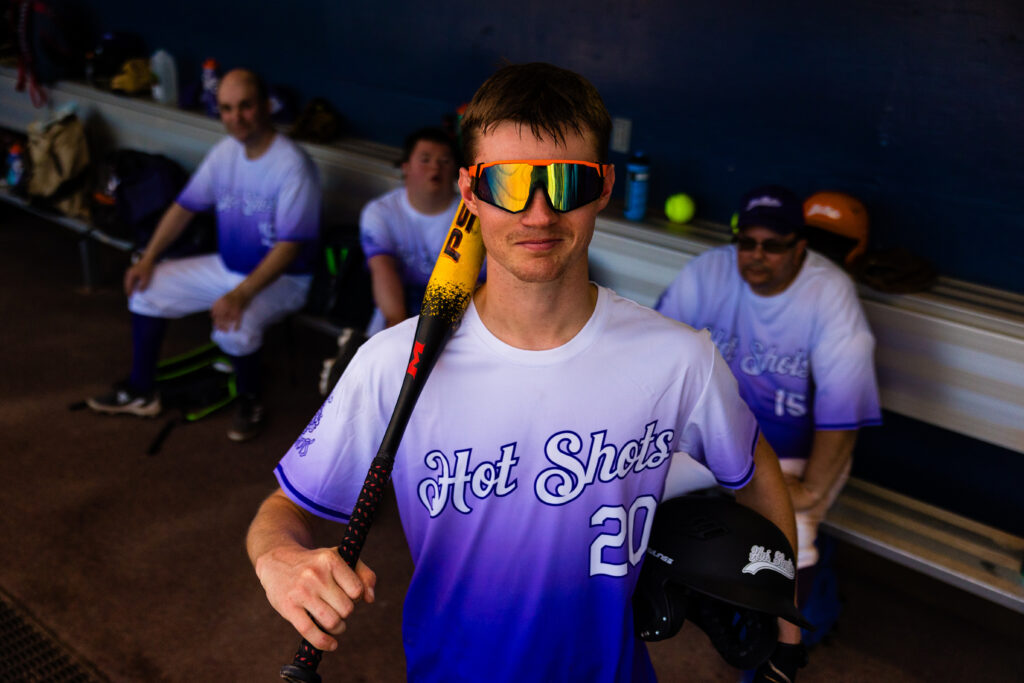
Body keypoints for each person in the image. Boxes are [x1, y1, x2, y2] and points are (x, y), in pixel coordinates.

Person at [247, 63, 803, 683]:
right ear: (470, 191)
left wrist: (783, 627)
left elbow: (754, 466)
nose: (538, 213)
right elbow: (283, 508)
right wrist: (278, 558)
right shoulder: (392, 364)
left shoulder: (680, 359)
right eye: (507, 182)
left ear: (604, 188)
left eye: (567, 183)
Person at [655, 185, 882, 632]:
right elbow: (658, 353)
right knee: (628, 486)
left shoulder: (830, 294)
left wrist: (813, 491)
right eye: (747, 242)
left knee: (792, 534)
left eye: (773, 245)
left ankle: (776, 648)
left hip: (790, 448)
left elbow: (844, 408)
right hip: (714, 434)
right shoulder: (709, 271)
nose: (756, 255)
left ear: (800, 247)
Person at [87, 68, 321, 442]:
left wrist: (240, 294)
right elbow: (184, 208)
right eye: (227, 109)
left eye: (245, 106)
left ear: (265, 106)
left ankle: (249, 398)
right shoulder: (226, 153)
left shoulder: (292, 164)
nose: (236, 117)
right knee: (147, 289)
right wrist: (148, 258)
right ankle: (141, 390)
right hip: (228, 268)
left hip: (284, 279)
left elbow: (289, 248)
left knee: (234, 324)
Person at [360, 126, 461, 335]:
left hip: (454, 316)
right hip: (396, 305)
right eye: (425, 160)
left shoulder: (471, 216)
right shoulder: (380, 212)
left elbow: (478, 286)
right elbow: (383, 270)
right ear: (406, 166)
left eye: (445, 161)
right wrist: (398, 329)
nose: (435, 168)